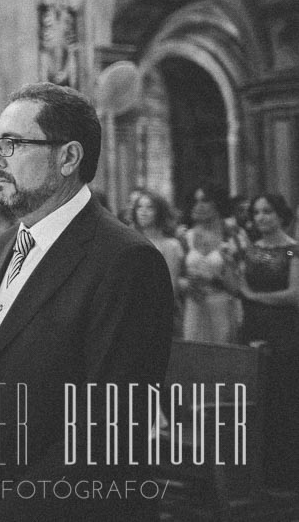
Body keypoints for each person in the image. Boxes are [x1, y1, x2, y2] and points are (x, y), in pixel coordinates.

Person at [0, 82, 174, 522]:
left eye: (12, 144)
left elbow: (108, 426)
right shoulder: (2, 244)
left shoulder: (126, 261)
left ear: (69, 157)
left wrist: (8, 515)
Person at [238, 193, 299, 488]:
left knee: (281, 396)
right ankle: (257, 472)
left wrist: (255, 297)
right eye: (257, 212)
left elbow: (294, 295)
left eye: (268, 212)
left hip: (284, 331)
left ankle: (284, 473)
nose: (261, 217)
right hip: (252, 327)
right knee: (255, 398)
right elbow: (238, 287)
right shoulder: (249, 250)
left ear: (280, 215)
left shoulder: (293, 250)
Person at [181, 182, 246, 343]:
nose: (199, 206)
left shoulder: (234, 236)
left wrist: (219, 277)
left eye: (205, 201)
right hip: (194, 305)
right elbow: (176, 277)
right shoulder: (185, 237)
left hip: (223, 305)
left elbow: (240, 284)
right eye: (196, 201)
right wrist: (187, 284)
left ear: (217, 203)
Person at [128, 188, 185, 334]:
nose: (143, 212)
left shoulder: (171, 245)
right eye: (140, 207)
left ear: (159, 212)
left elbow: (171, 286)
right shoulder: (128, 242)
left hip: (158, 314)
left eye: (150, 207)